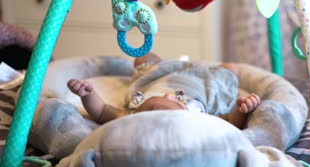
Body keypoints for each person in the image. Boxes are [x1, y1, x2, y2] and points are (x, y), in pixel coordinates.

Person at [67, 53, 261, 129]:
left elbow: (101, 111)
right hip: (205, 83)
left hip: (160, 75)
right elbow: (229, 121)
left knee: (142, 58)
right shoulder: (198, 120)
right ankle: (220, 68)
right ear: (183, 109)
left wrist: (87, 94)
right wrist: (243, 110)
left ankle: (168, 62)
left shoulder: (131, 114)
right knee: (230, 68)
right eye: (171, 103)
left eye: (150, 108)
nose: (167, 96)